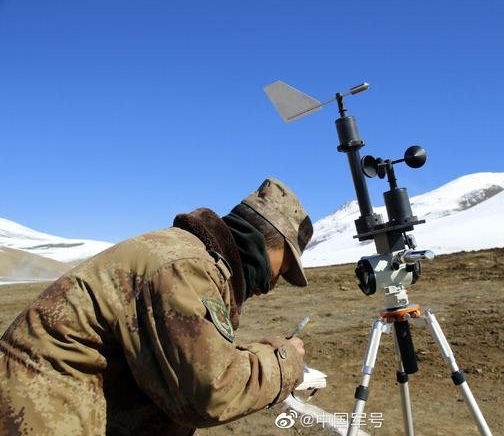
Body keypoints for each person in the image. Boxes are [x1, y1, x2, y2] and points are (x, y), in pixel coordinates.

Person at [0, 177, 314, 435]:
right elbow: (209, 392)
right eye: (283, 270)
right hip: (35, 418)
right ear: (270, 242)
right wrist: (285, 360)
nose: (272, 285)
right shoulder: (184, 266)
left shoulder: (193, 258)